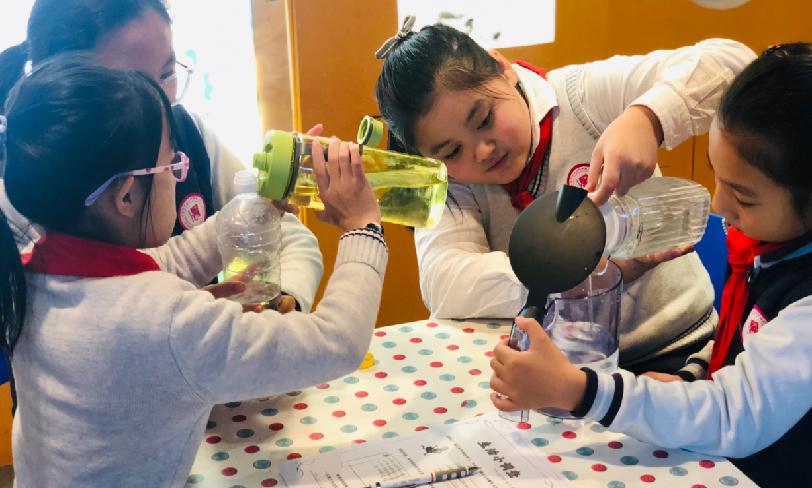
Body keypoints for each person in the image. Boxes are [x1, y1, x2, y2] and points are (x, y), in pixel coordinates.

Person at [0, 55, 385, 487]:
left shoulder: (36, 272)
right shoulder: (165, 321)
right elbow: (336, 343)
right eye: (172, 166)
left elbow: (173, 261)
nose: (178, 176)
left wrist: (265, 202)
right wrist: (363, 227)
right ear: (127, 196)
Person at [490, 43, 812, 487]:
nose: (719, 205)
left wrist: (579, 391)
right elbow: (748, 350)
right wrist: (693, 378)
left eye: (743, 196)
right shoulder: (771, 247)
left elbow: (731, 416)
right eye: (718, 178)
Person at [374, 18, 756, 372]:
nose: (482, 151)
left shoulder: (581, 99)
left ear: (503, 69)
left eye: (485, 119)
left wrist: (646, 118)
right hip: (565, 372)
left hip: (682, 348)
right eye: (452, 151)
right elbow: (445, 283)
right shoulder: (450, 181)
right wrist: (572, 275)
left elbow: (734, 63)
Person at [0, 0, 322, 313]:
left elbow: (283, 235)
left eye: (167, 73)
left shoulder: (190, 135)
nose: (163, 103)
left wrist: (284, 297)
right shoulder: (22, 210)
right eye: (135, 86)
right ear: (61, 93)